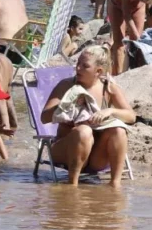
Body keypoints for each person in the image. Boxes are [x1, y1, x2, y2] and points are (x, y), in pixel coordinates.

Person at [41, 45, 134, 186]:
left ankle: (115, 184)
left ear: (98, 71)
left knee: (119, 130)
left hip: (96, 156)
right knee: (83, 131)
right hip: (66, 150)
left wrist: (110, 111)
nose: (77, 68)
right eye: (78, 63)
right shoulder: (66, 85)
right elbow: (44, 117)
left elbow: (131, 116)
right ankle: (72, 185)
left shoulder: (108, 88)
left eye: (84, 66)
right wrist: (65, 106)